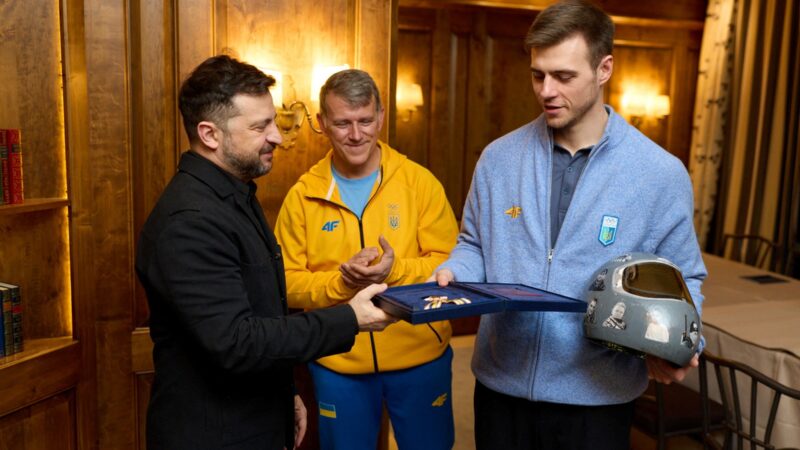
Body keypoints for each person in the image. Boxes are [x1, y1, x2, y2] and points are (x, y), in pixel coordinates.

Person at [432, 1, 707, 449]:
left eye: (564, 76)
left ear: (604, 69)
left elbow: (684, 276)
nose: (546, 91)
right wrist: (455, 271)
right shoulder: (499, 158)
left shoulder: (660, 172)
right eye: (538, 74)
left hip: (598, 400)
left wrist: (682, 342)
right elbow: (473, 244)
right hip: (501, 389)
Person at [135, 55, 395, 450]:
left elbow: (261, 309)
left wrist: (285, 392)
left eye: (273, 121)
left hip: (254, 414)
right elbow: (237, 341)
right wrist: (349, 318)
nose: (278, 135)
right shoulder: (189, 221)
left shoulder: (234, 193)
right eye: (260, 126)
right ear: (210, 134)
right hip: (214, 434)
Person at [274, 69, 459, 450]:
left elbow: (451, 265)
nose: (356, 134)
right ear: (322, 123)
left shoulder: (419, 183)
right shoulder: (302, 196)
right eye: (342, 123)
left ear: (381, 117)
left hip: (421, 355)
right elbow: (286, 283)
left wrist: (397, 270)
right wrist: (340, 284)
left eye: (365, 120)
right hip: (338, 360)